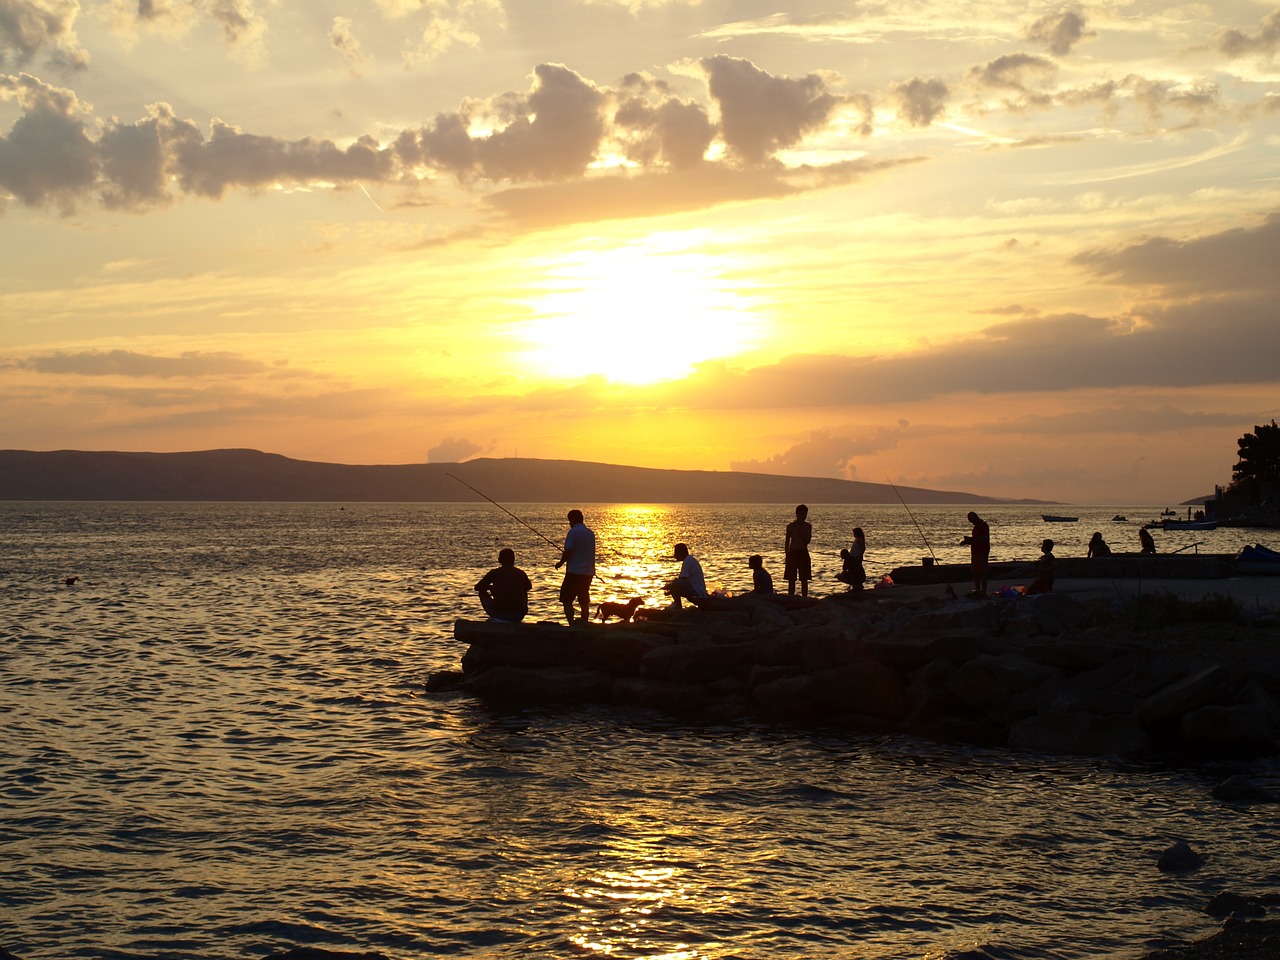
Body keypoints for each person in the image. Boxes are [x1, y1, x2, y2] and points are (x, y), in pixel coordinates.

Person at [555, 508, 595, 625]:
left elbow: (568, 551)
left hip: (574, 572)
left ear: (572, 520)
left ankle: (571, 624)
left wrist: (560, 563)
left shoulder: (573, 532)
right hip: (588, 572)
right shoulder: (590, 533)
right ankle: (584, 623)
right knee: (584, 599)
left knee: (566, 599)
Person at [474, 548, 532, 622]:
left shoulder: (494, 573)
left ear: (499, 560)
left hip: (499, 614)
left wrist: (493, 588)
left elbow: (478, 587)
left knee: (482, 592)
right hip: (518, 615)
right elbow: (529, 587)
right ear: (513, 559)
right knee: (524, 590)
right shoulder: (521, 573)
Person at [664, 542, 707, 609]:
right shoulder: (690, 559)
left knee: (675, 584)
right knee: (674, 584)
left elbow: (682, 579)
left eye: (676, 553)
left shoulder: (687, 561)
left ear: (681, 553)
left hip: (697, 592)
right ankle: (677, 605)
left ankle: (678, 606)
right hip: (699, 590)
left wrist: (669, 587)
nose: (674, 555)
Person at [784, 504, 812, 597]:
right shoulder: (791, 526)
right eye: (802, 514)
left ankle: (805, 597)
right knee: (791, 578)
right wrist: (787, 554)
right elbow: (787, 541)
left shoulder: (807, 526)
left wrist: (801, 532)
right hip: (793, 552)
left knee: (804, 578)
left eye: (805, 514)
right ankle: (790, 597)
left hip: (803, 552)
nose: (804, 516)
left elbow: (807, 541)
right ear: (797, 514)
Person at [962, 511, 990, 597]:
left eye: (971, 520)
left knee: (982, 572)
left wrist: (972, 540)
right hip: (975, 552)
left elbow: (984, 538)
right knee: (975, 572)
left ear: (976, 518)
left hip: (982, 552)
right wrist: (967, 542)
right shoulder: (975, 527)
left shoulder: (983, 525)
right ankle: (978, 590)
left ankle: (983, 591)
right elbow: (976, 540)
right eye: (970, 520)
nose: (971, 522)